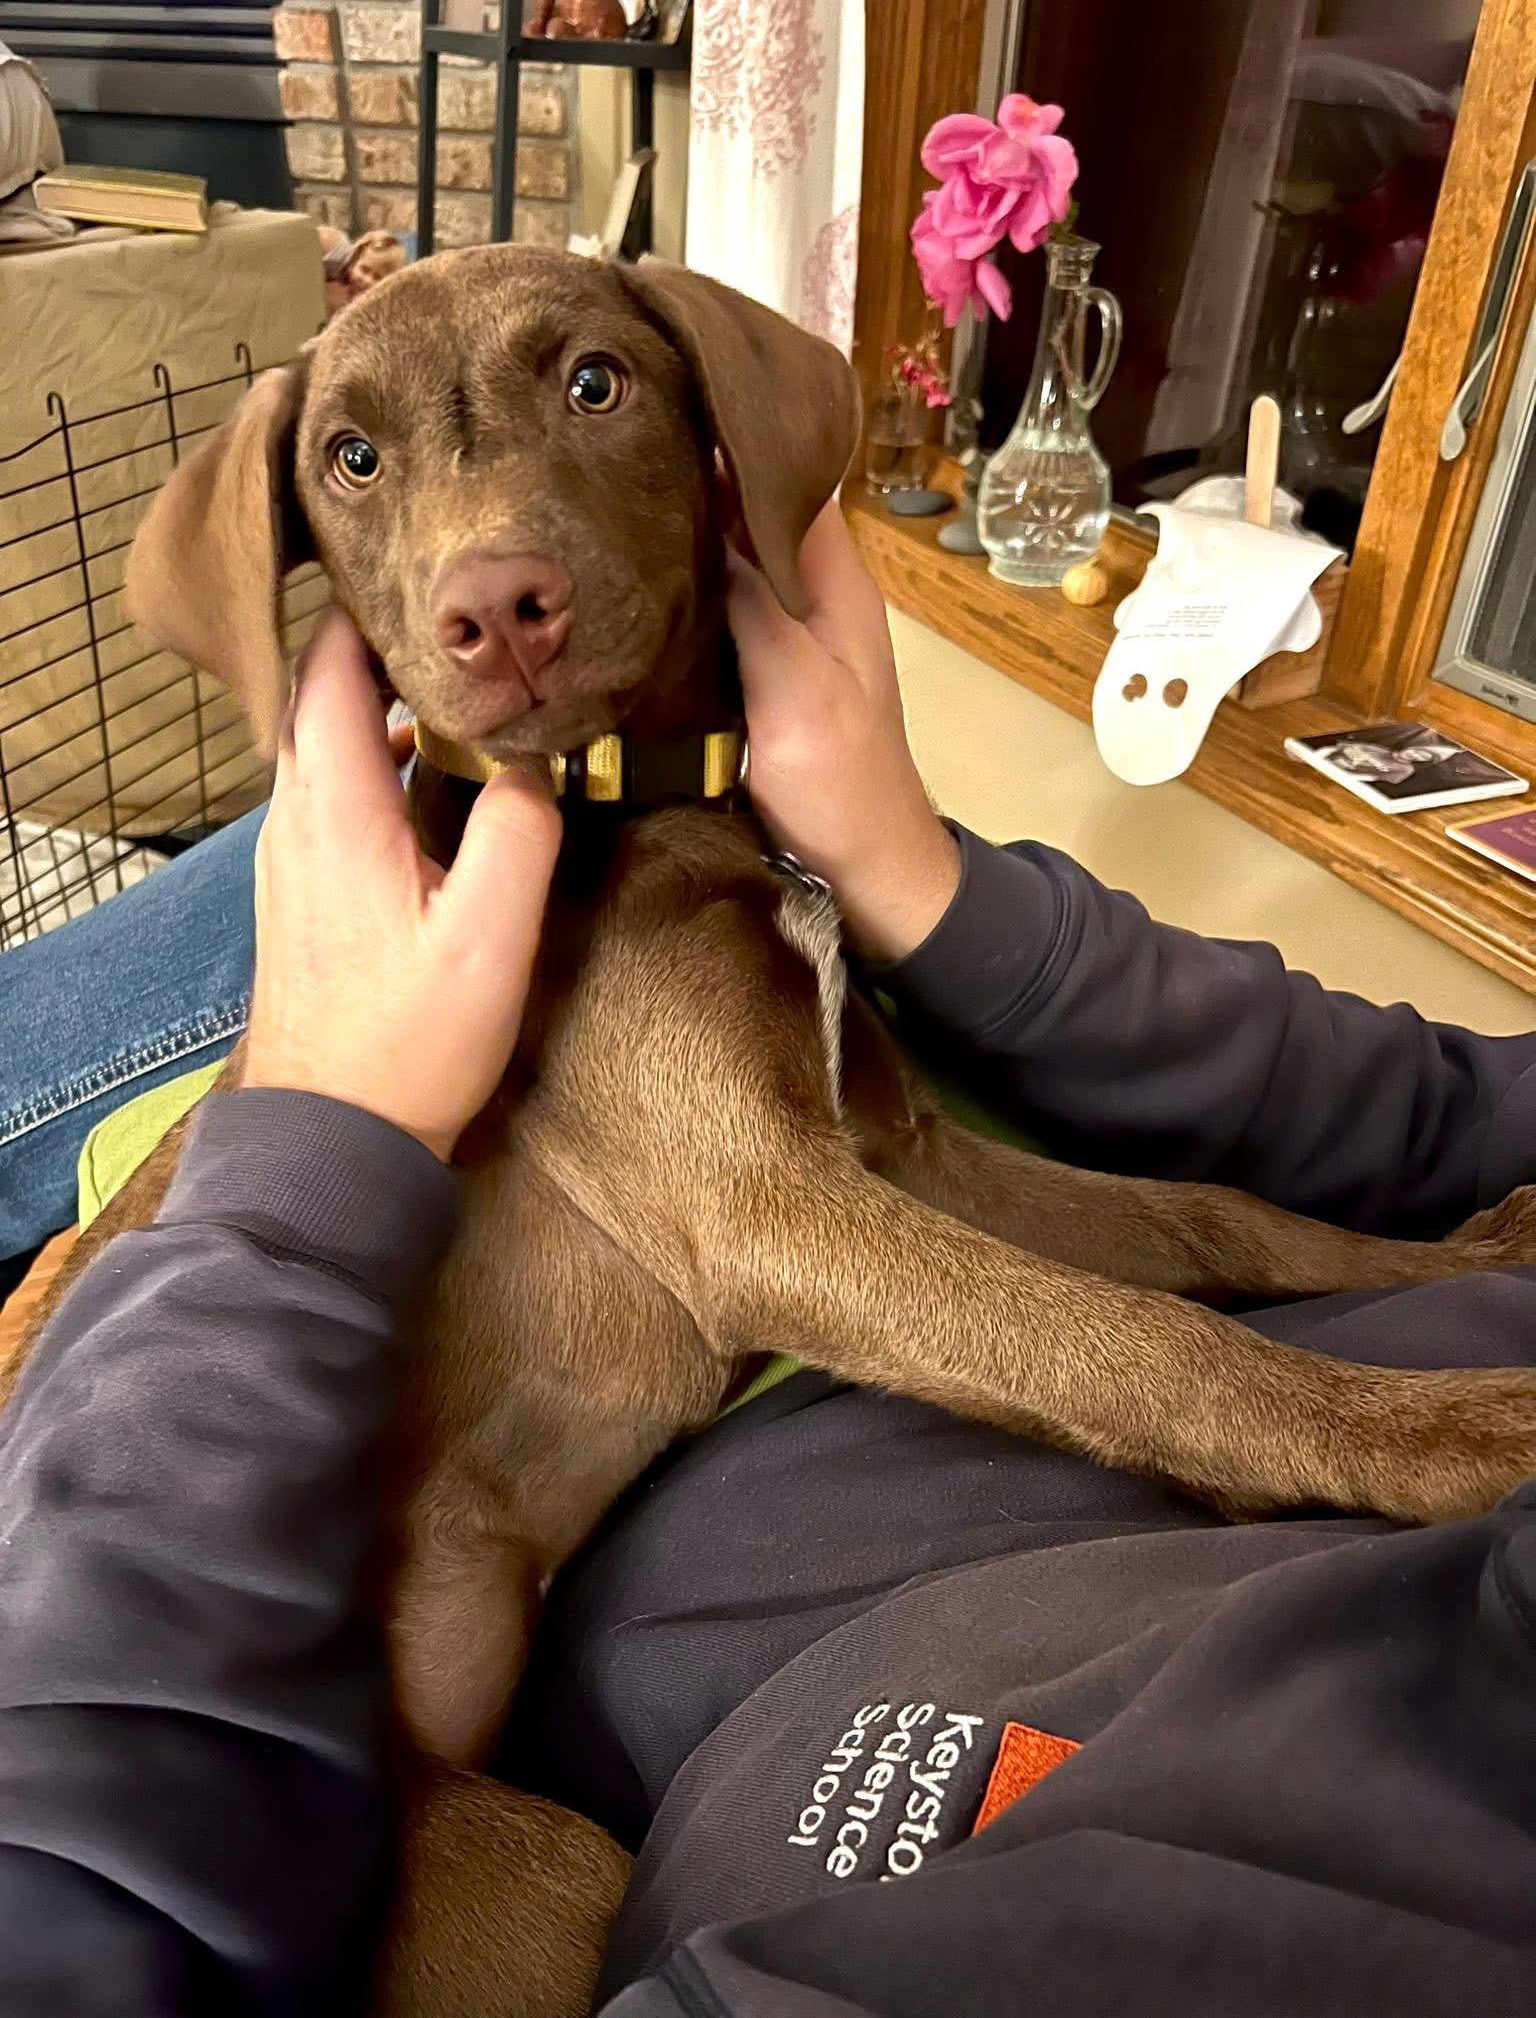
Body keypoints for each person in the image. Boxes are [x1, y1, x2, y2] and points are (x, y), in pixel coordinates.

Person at [1, 507, 1534, 2018]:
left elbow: (809, 1220)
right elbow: (1446, 1104)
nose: (493, 569)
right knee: (322, 860)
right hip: (319, 1444)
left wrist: (285, 1164)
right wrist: (921, 879)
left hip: (273, 1612)